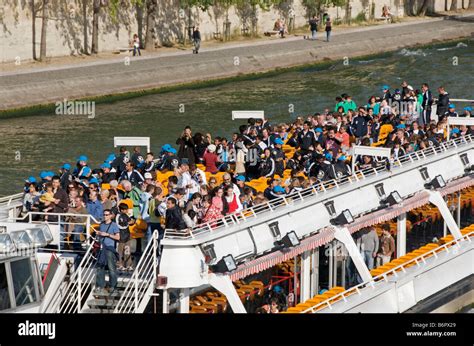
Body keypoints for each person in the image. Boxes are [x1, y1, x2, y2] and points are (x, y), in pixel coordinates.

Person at [95, 210, 120, 295]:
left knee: (111, 268)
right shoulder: (101, 224)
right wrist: (99, 234)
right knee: (100, 267)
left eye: (106, 215)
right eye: (104, 214)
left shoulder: (114, 225)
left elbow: (118, 237)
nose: (105, 216)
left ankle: (113, 285)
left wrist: (108, 235)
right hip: (102, 248)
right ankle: (100, 286)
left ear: (110, 216)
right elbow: (101, 235)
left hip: (109, 248)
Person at [116, 203, 134, 272]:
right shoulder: (118, 216)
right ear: (121, 210)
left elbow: (130, 221)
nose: (127, 211)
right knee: (120, 251)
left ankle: (129, 265)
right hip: (121, 236)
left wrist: (132, 221)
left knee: (127, 251)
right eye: (125, 209)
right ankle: (120, 265)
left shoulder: (125, 215)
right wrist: (128, 222)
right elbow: (120, 225)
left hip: (127, 235)